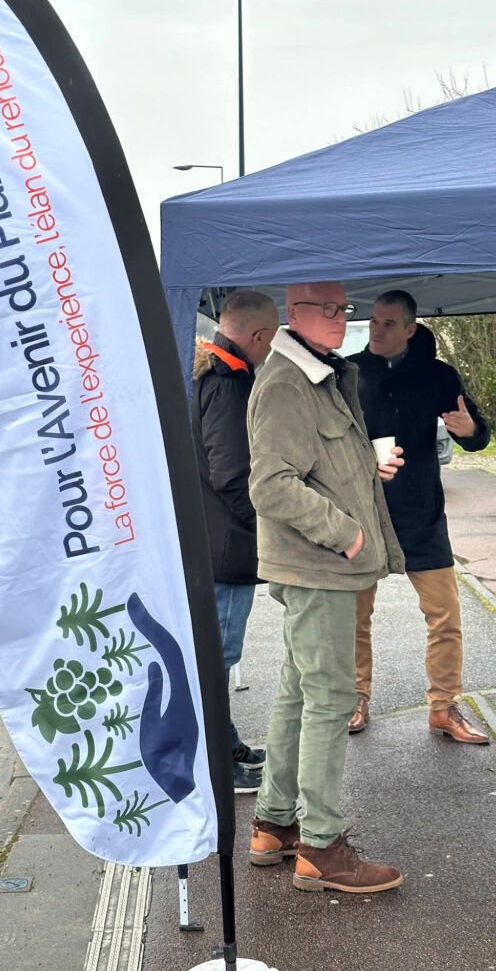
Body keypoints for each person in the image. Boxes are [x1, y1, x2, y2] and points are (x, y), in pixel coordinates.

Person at [247, 281, 406, 893]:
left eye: (347, 311)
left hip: (318, 567)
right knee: (331, 700)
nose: (344, 321)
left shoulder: (316, 373)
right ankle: (321, 845)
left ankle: (274, 825)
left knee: (298, 694)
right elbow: (272, 485)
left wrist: (369, 465)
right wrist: (349, 535)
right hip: (320, 567)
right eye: (330, 310)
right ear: (295, 314)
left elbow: (318, 467)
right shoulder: (290, 381)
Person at [346, 289, 491, 742]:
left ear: (410, 328)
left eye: (389, 324)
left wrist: (472, 432)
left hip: (422, 515)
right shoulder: (347, 372)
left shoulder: (438, 375)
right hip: (362, 515)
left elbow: (475, 432)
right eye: (374, 321)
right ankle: (355, 698)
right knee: (353, 618)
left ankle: (444, 708)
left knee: (445, 616)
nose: (377, 331)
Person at [192, 289, 279, 793]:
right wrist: (262, 522)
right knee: (218, 659)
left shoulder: (207, 369)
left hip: (210, 539)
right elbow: (230, 474)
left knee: (215, 657)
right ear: (259, 336)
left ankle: (224, 743)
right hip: (227, 547)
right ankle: (218, 766)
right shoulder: (227, 383)